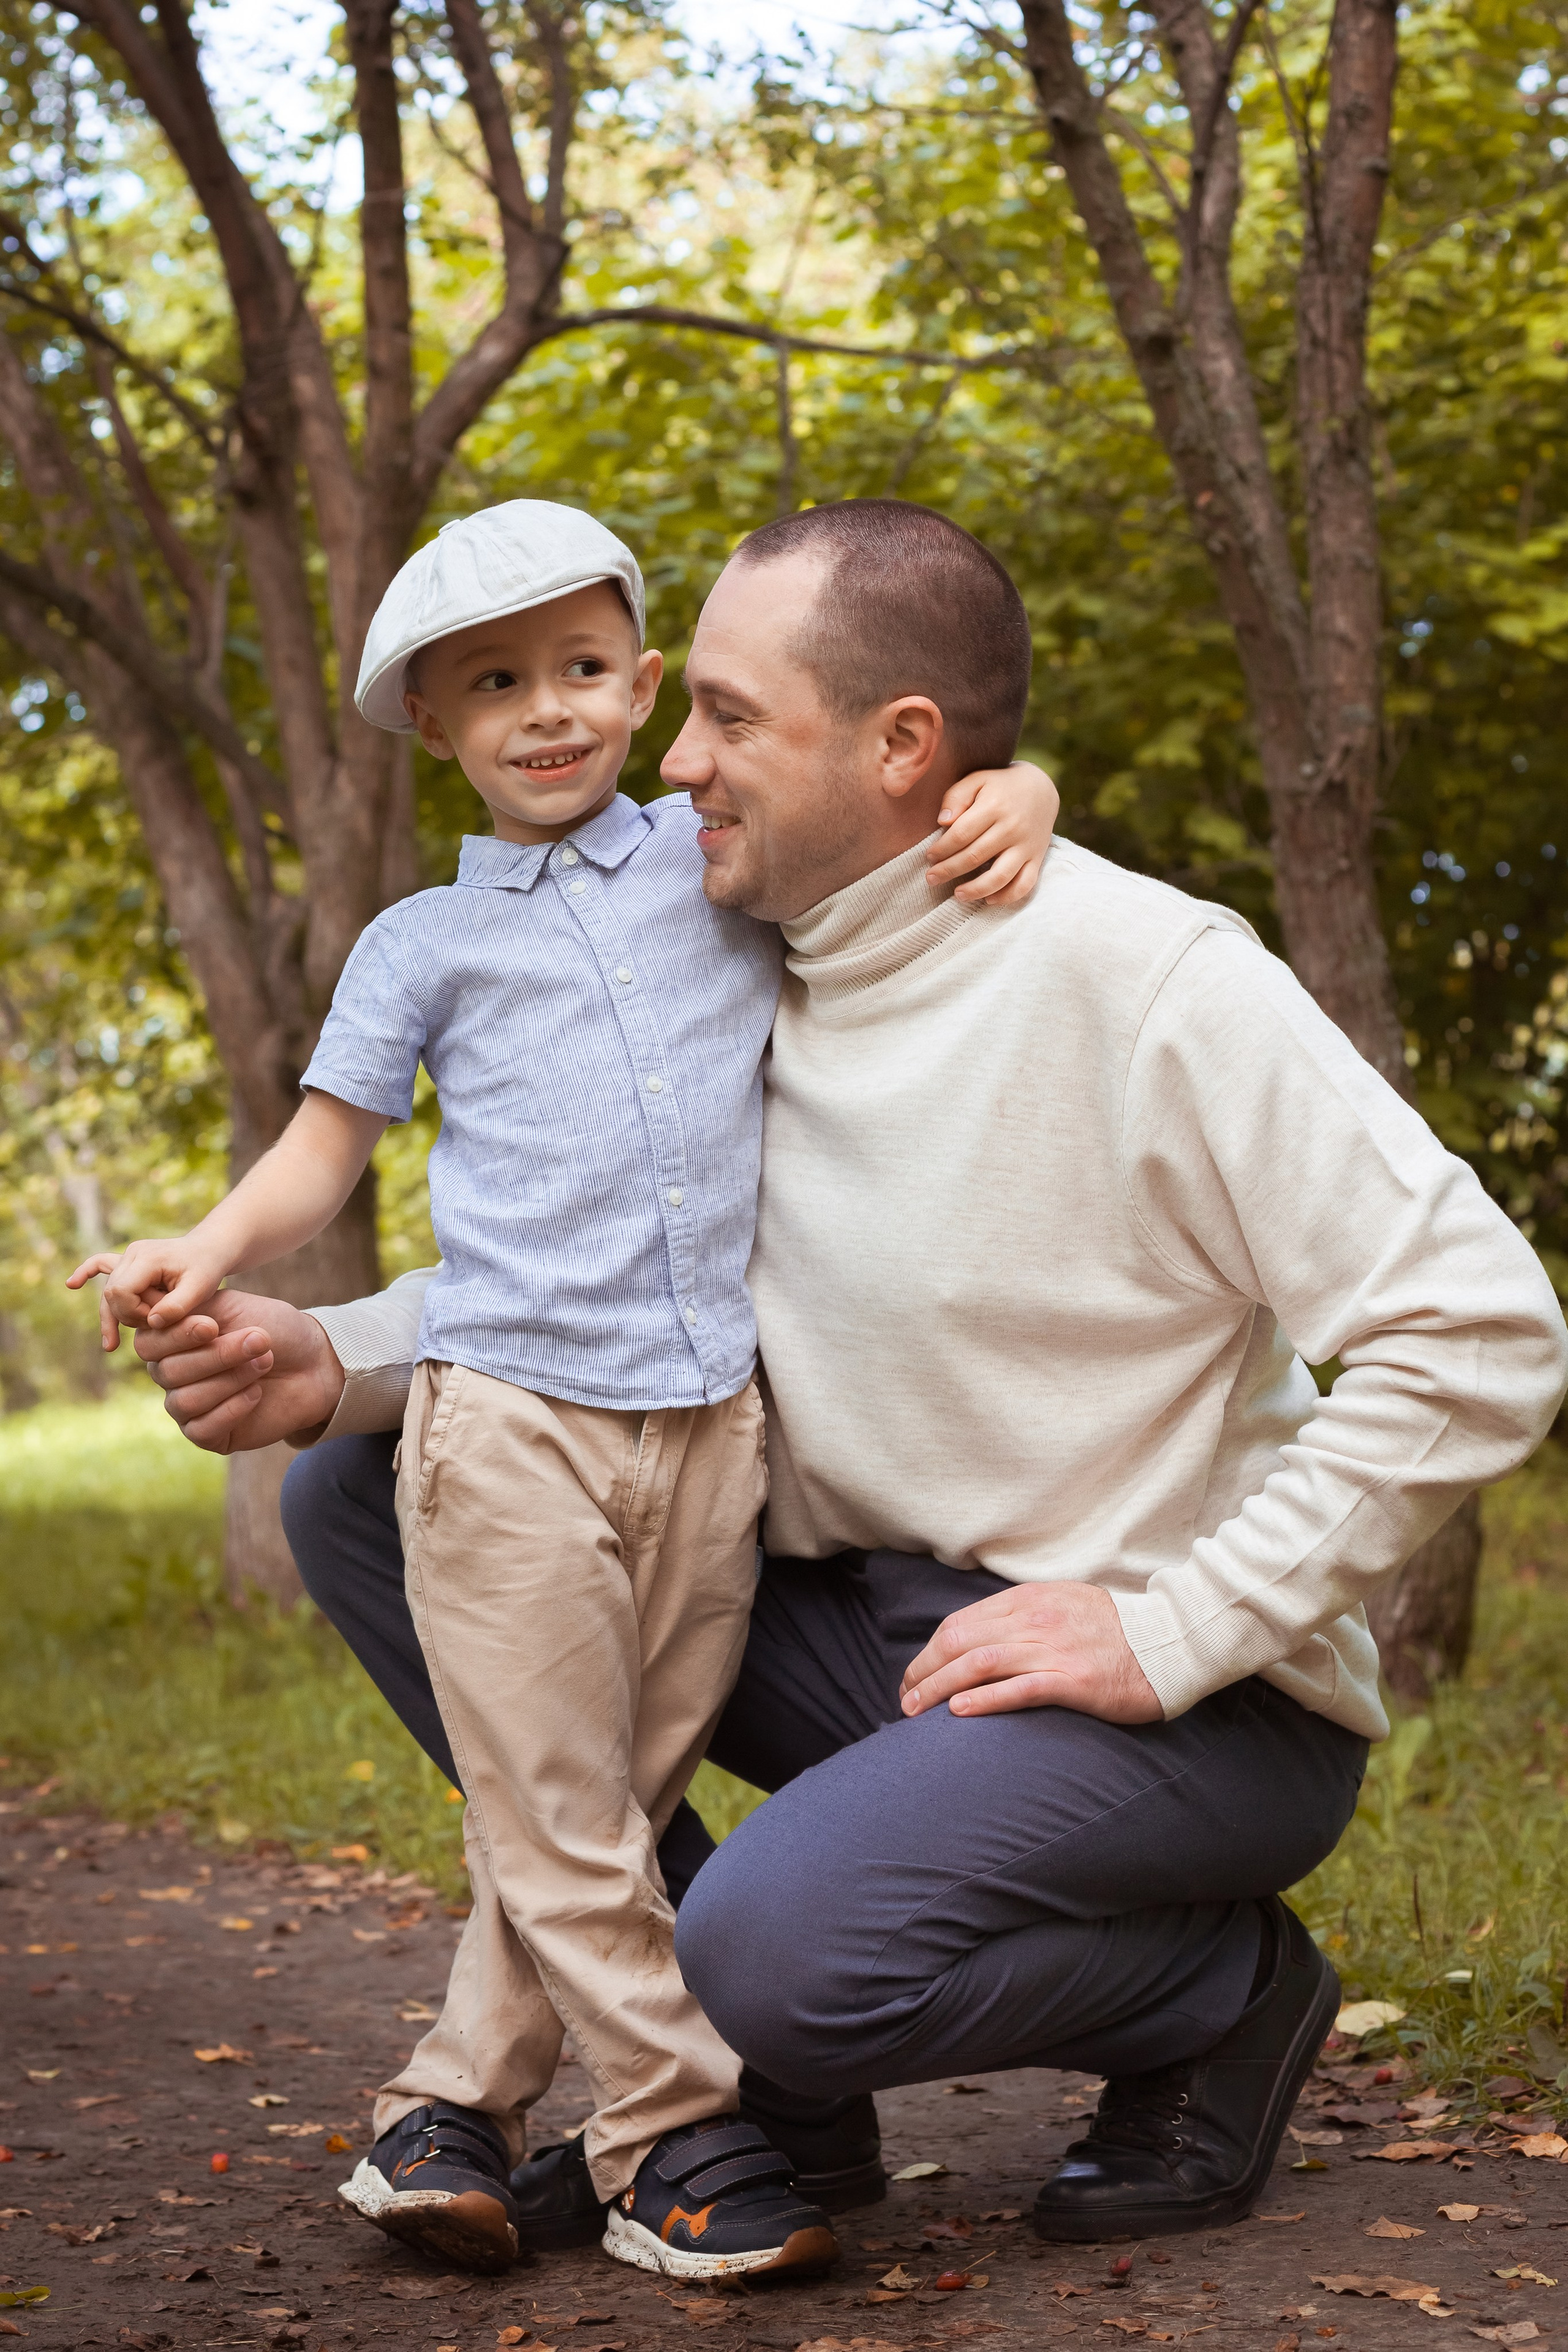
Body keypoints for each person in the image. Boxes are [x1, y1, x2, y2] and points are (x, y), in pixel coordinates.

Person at [136, 499, 1568, 2259]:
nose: (675, 761)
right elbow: (607, 1269)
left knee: (772, 1952)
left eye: (729, 717)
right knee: (367, 1487)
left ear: (905, 750)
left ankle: (1219, 1990)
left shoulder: (1146, 977)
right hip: (868, 1627)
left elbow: (1485, 1329)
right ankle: (730, 2088)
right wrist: (326, 1357)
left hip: (1189, 1693)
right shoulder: (749, 961)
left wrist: (1175, 1626)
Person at [69, 501, 1057, 2282]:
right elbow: (321, 1149)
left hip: (711, 1435)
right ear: (437, 727)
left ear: (645, 679)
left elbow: (902, 848)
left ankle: (446, 2108)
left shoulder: (719, 863)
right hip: (507, 1421)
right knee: (571, 1813)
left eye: (583, 671)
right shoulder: (419, 951)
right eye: (496, 685)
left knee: (590, 1799)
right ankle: (670, 2144)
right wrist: (207, 1257)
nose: (548, 712)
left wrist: (1026, 792)